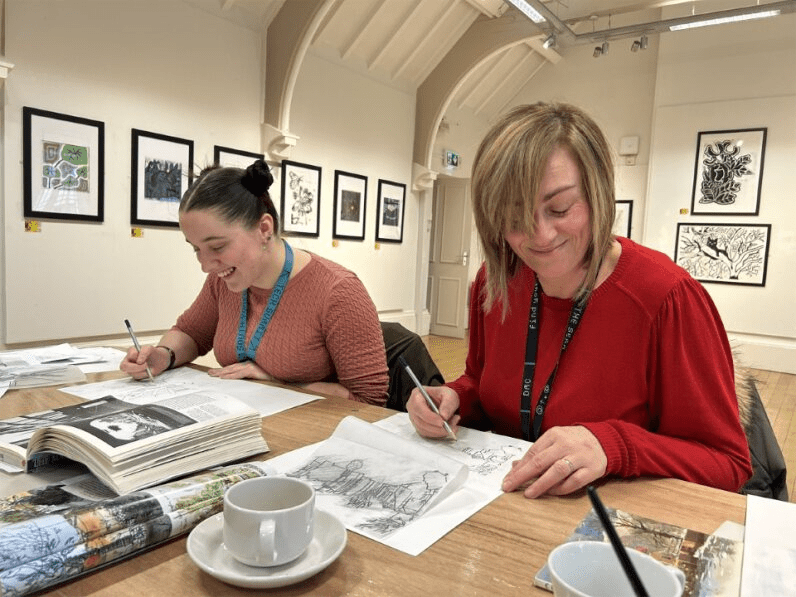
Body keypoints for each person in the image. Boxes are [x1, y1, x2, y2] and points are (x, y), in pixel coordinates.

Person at [407, 102, 752, 497]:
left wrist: (614, 445)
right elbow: (481, 384)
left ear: (598, 194)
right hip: (502, 507)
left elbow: (728, 464)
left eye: (560, 208)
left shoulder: (665, 298)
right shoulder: (495, 282)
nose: (539, 235)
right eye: (514, 217)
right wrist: (454, 399)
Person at [120, 160, 389, 406]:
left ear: (264, 229)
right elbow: (192, 333)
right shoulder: (222, 281)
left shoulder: (338, 291)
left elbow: (369, 400)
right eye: (196, 249)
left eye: (217, 246)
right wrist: (164, 355)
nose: (205, 265)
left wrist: (279, 385)